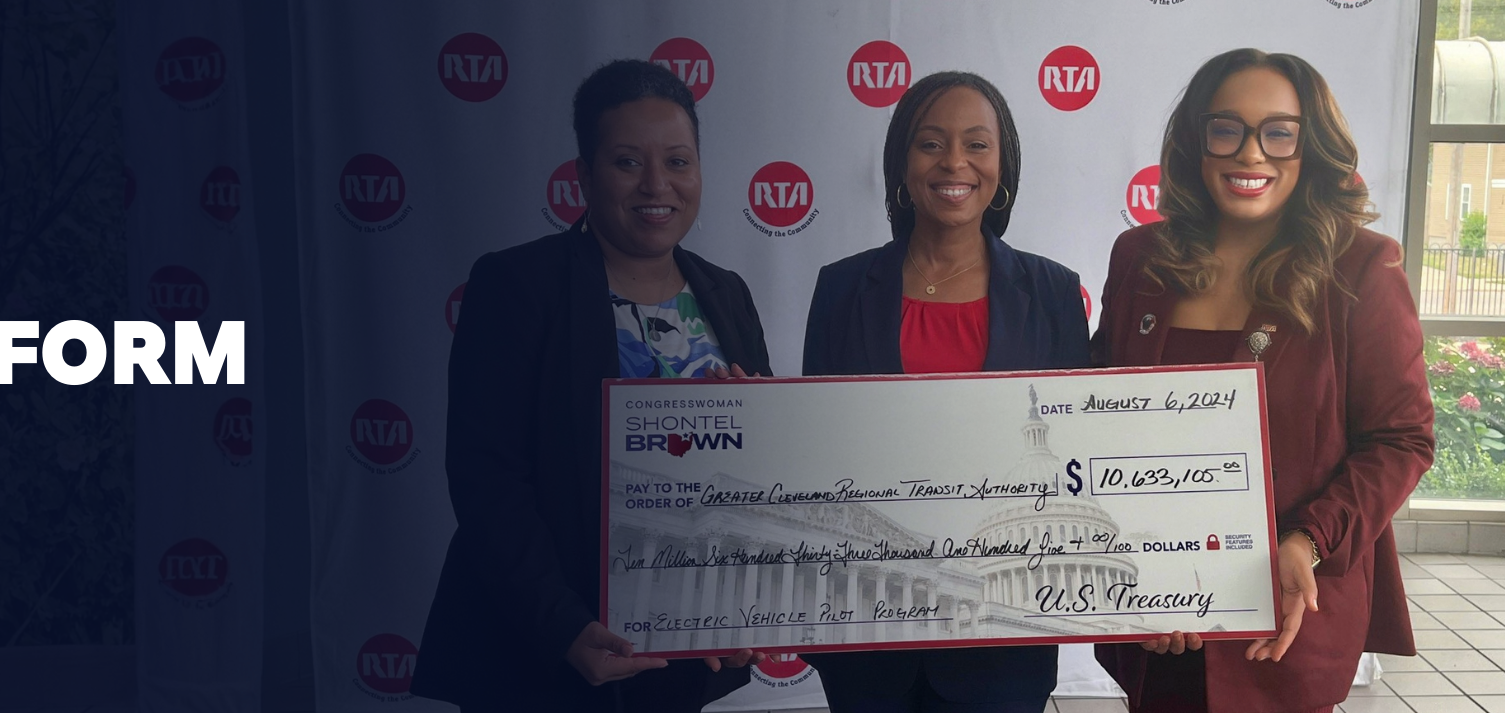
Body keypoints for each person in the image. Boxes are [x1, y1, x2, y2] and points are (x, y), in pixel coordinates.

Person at [410, 59, 769, 713]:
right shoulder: (517, 286)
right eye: (628, 161)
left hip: (677, 656)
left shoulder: (727, 294)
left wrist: (747, 608)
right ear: (583, 172)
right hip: (539, 653)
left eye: (679, 161)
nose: (657, 184)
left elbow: (761, 483)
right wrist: (565, 628)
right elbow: (487, 481)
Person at [1091, 48, 1435, 713]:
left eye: (1279, 132)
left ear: (1311, 148)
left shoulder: (1360, 267)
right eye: (1228, 128)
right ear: (1197, 141)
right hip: (1160, 619)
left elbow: (1402, 438)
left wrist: (1309, 538)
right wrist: (1146, 576)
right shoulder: (1140, 257)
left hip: (1285, 623)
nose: (1252, 154)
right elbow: (1105, 423)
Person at [799, 71, 1089, 712]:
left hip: (1002, 635)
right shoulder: (841, 289)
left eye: (976, 144)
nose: (954, 162)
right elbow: (815, 453)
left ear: (1003, 164)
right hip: (865, 625)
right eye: (930, 143)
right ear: (901, 163)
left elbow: (1079, 455)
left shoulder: (1054, 294)